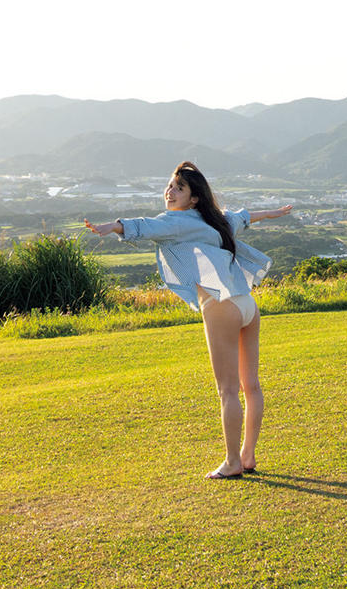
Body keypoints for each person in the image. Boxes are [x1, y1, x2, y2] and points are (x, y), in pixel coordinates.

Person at [84, 161, 293, 481]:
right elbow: (243, 217)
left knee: (228, 390)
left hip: (220, 306)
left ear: (194, 198)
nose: (170, 191)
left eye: (179, 188)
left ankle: (233, 462)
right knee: (250, 386)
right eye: (170, 185)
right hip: (246, 304)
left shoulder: (177, 221)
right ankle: (247, 456)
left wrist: (113, 226)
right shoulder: (215, 220)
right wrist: (273, 213)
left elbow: (146, 226)